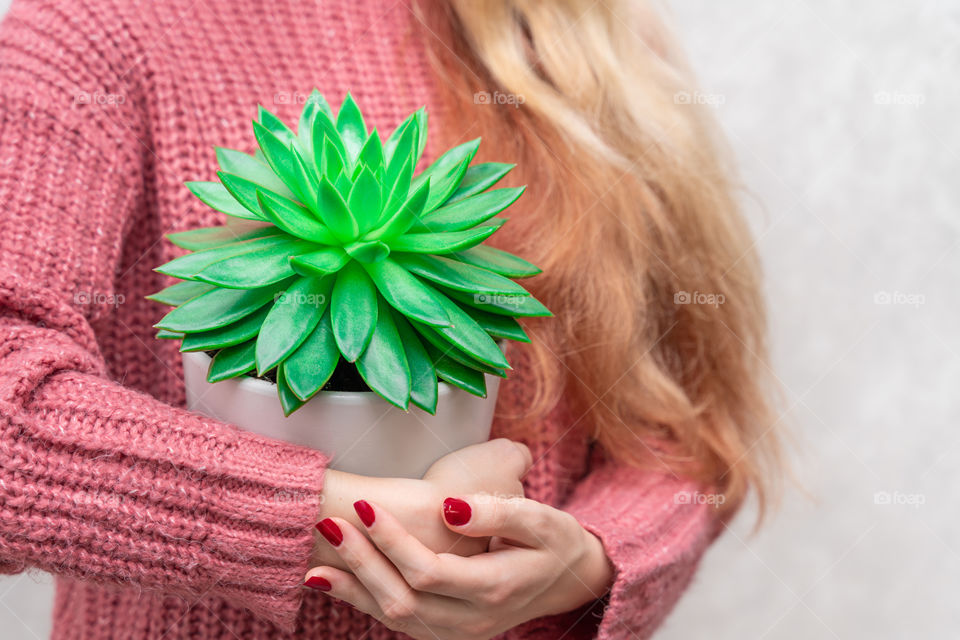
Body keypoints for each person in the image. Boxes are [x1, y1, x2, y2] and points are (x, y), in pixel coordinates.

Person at [0, 0, 782, 638]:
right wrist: (327, 518)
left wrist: (588, 559)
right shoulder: (87, 29)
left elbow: (685, 433)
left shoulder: (574, 33)